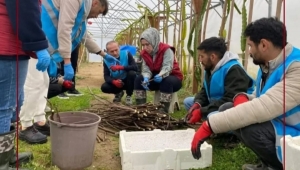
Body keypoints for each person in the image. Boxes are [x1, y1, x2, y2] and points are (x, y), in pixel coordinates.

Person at [190, 17, 300, 170]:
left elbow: (264, 107)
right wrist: (242, 97)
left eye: (250, 45)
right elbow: (259, 95)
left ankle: (280, 166)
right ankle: (267, 164)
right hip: (279, 125)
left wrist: (209, 126)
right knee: (227, 109)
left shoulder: (296, 68)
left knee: (248, 127)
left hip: (296, 138)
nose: (248, 51)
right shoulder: (269, 64)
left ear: (263, 44)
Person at [18, 0, 119, 144]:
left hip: (42, 44)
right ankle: (25, 125)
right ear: (96, 3)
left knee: (44, 82)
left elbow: (83, 36)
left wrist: (103, 54)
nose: (97, 17)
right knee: (34, 83)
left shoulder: (82, 14)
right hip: (35, 39)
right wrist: (67, 61)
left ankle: (39, 121)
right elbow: (64, 27)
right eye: (99, 13)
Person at [0, 0, 51, 169]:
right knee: (5, 107)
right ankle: (2, 162)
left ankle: (7, 153)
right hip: (7, 48)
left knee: (11, 104)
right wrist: (38, 44)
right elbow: (26, 9)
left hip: (7, 45)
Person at [183, 37, 255, 124]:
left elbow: (230, 100)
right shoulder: (210, 68)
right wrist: (198, 103)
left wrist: (201, 111)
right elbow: (204, 91)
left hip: (231, 106)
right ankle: (208, 119)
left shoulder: (233, 70)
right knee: (188, 102)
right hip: (216, 103)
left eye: (202, 56)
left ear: (212, 57)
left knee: (212, 116)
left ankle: (213, 122)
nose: (200, 60)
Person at [133, 27, 183, 113]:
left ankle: (163, 110)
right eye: (143, 45)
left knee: (167, 81)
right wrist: (146, 78)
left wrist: (161, 75)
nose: (145, 47)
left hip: (173, 78)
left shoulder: (166, 50)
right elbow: (146, 69)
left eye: (147, 44)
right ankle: (141, 108)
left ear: (154, 41)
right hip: (157, 79)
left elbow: (168, 67)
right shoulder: (144, 53)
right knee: (138, 80)